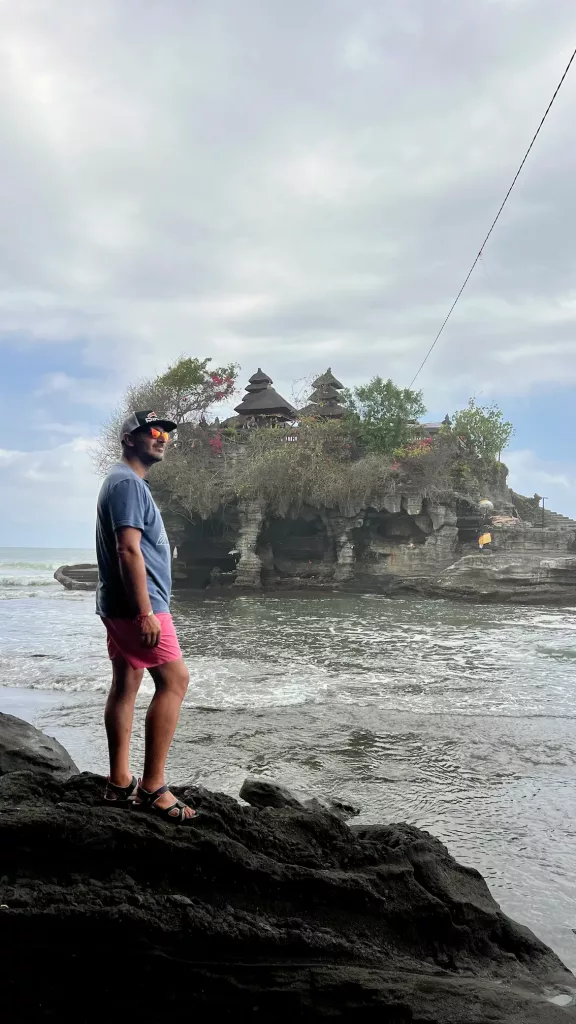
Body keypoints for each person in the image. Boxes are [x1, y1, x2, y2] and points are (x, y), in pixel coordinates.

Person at [95, 410, 199, 824]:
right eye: (153, 431)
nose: (162, 438)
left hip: (116, 603)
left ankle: (119, 781)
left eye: (166, 434)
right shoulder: (126, 484)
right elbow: (127, 550)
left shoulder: (124, 482)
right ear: (128, 439)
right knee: (175, 681)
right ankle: (152, 787)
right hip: (139, 605)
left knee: (126, 682)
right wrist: (146, 613)